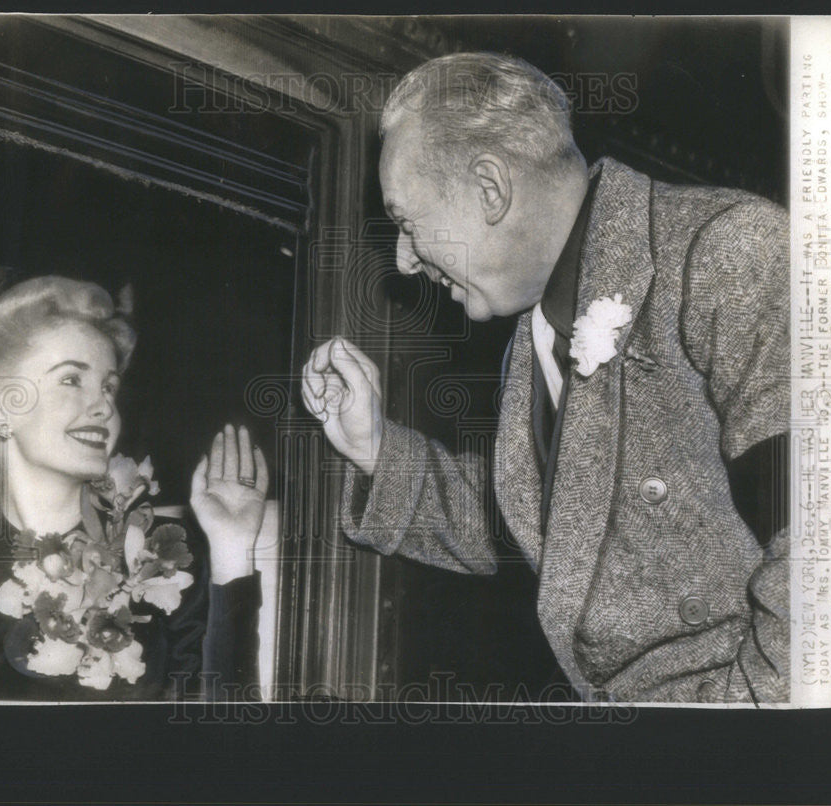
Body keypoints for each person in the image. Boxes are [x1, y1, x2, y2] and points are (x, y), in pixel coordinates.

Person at [302, 53, 790, 703]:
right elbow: (548, 525)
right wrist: (374, 448)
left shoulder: (729, 249)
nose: (405, 260)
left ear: (490, 189)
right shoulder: (532, 343)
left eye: (406, 222)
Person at [0, 276, 267, 702]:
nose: (103, 405)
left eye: (109, 386)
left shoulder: (164, 565)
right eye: (71, 379)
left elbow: (227, 743)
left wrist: (233, 548)